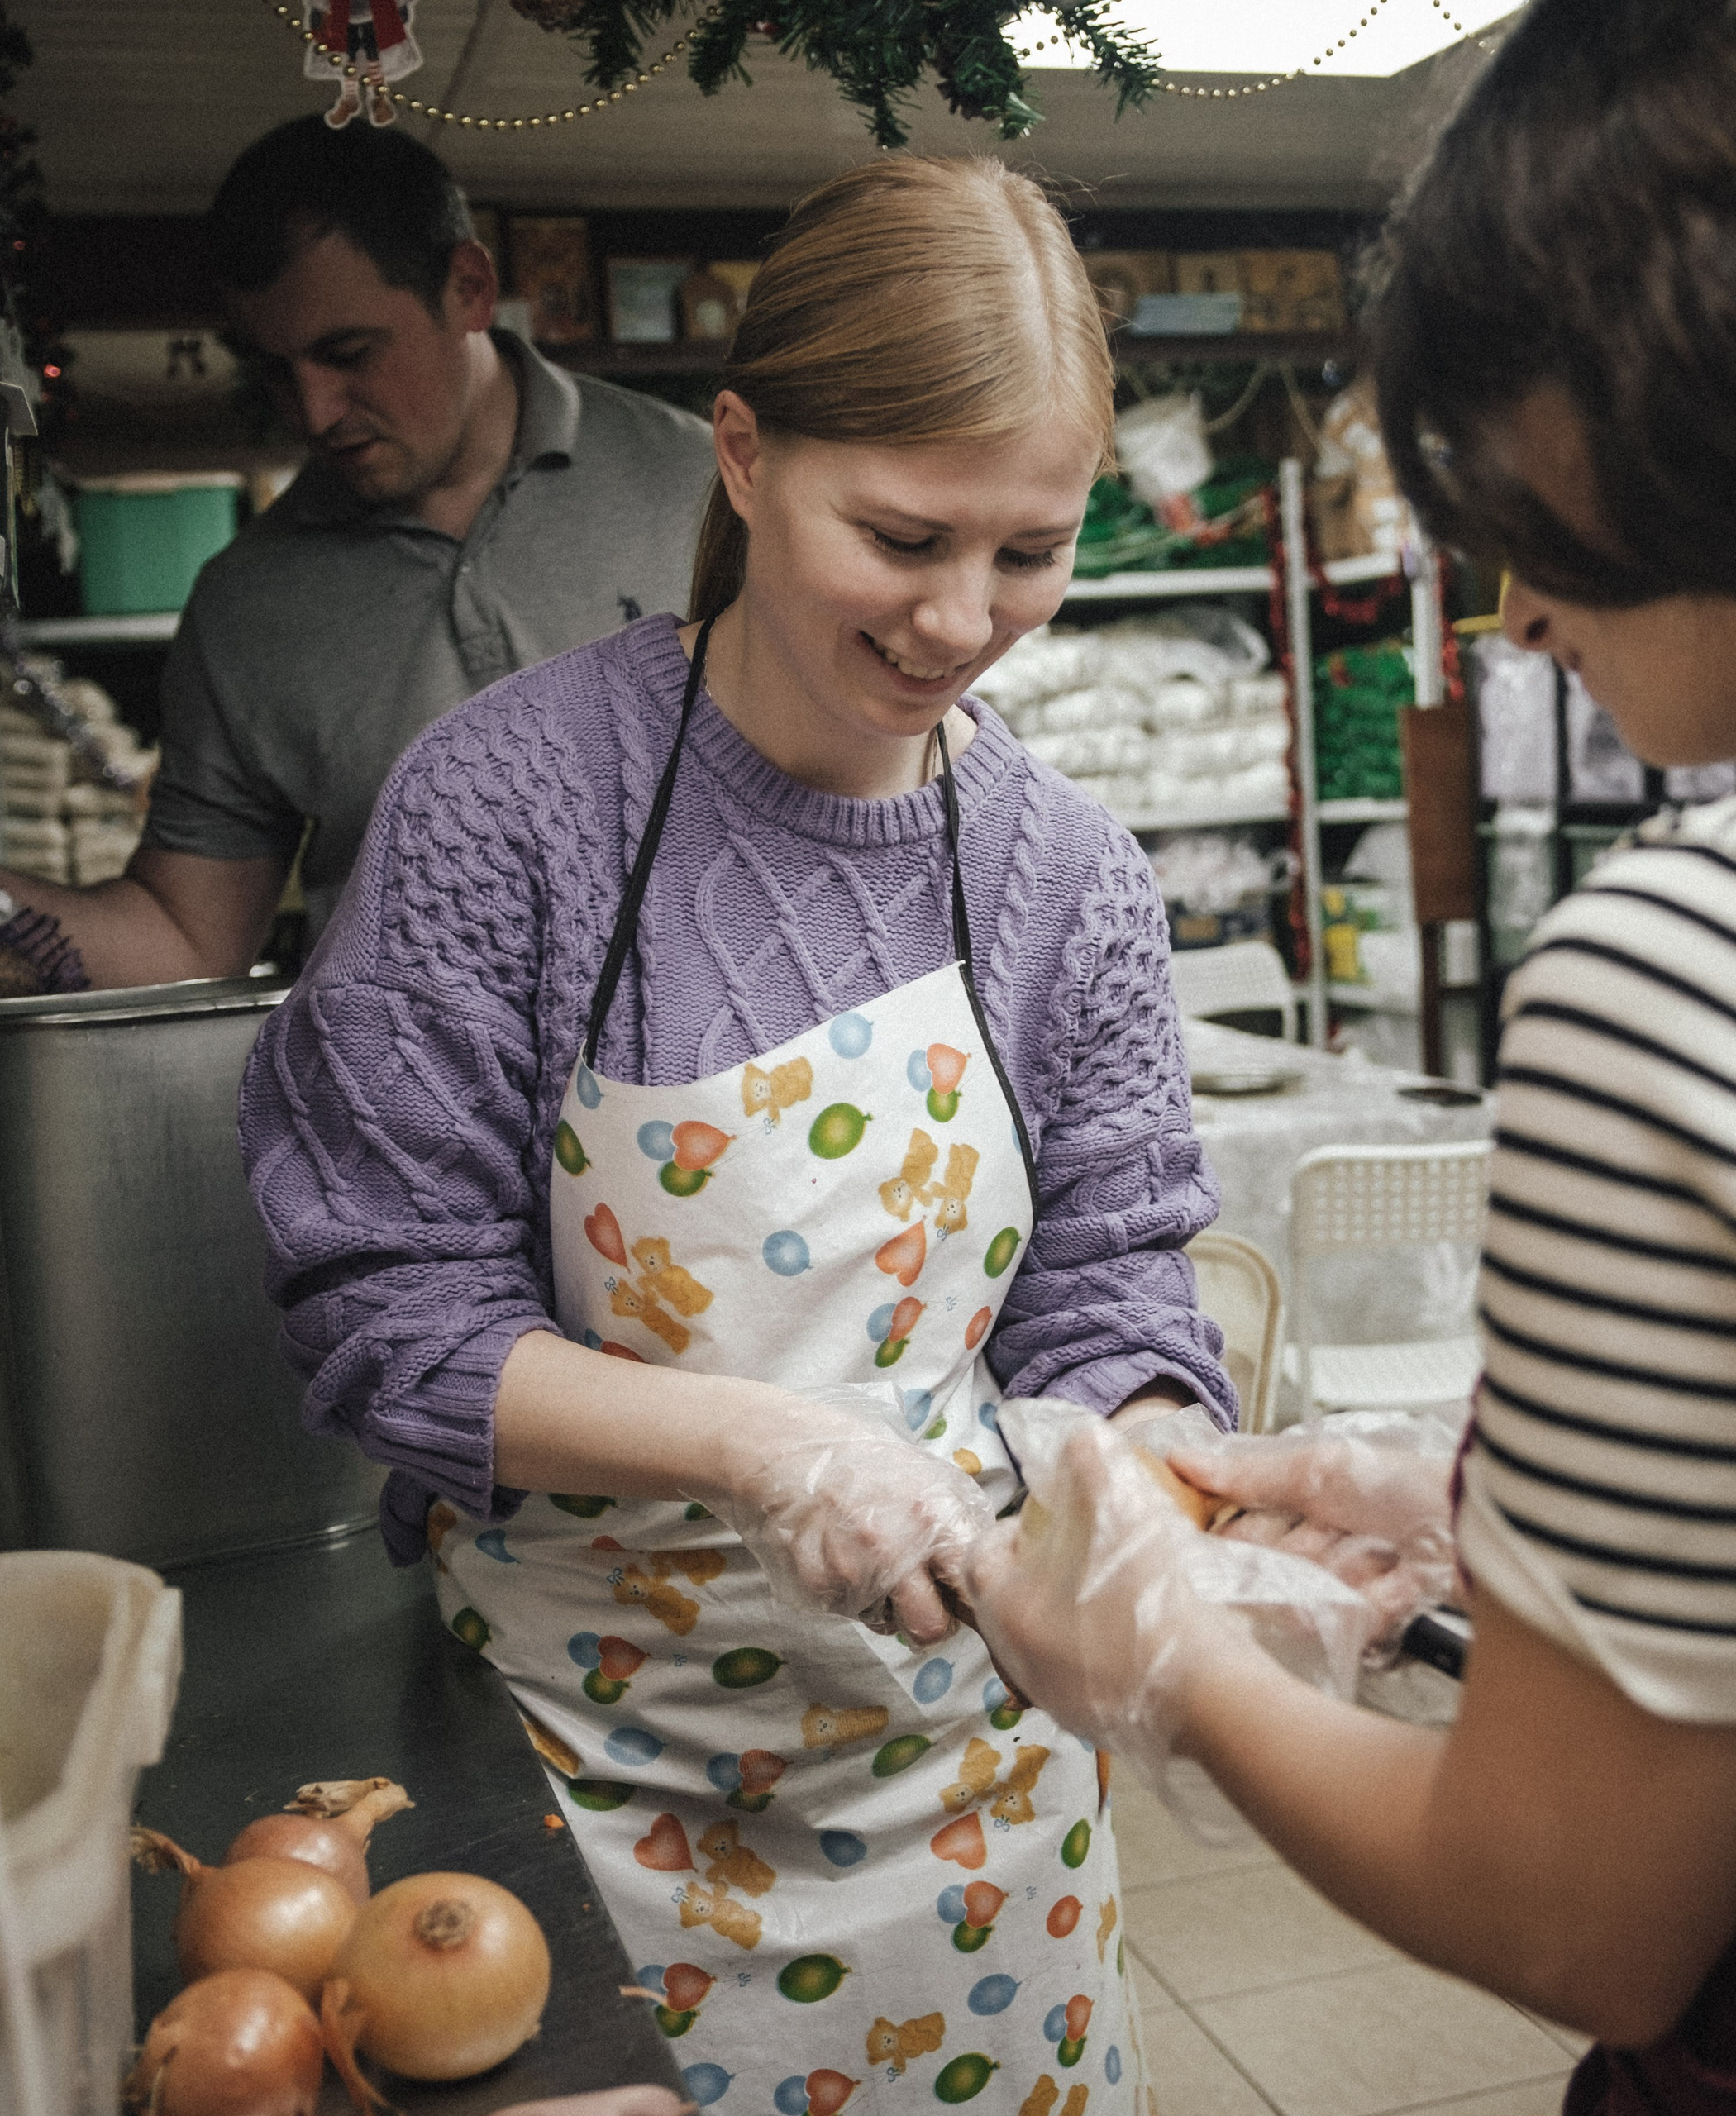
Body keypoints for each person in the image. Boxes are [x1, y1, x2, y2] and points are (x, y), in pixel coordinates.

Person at [965, 0, 1736, 2109]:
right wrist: (1491, 1517)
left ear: (1640, 402)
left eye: (1499, 480)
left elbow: (1576, 1908)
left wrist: (1174, 1660)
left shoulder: (1732, 954)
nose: (1509, 621)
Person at [240, 155, 1233, 2111]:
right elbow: (378, 1296)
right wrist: (766, 1444)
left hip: (971, 1812)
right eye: (903, 532)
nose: (963, 617)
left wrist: (1173, 1476)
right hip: (578, 1805)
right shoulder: (506, 812)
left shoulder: (1066, 874)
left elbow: (1109, 1276)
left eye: (1029, 552)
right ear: (746, 452)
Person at [0, 117, 713, 988]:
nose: (313, 412)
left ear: (469, 288)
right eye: (274, 369)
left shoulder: (703, 482)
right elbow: (188, 937)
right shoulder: (244, 606)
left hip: (732, 1098)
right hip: (420, 1113)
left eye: (348, 354)